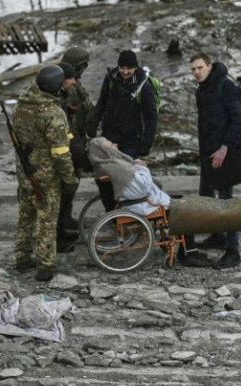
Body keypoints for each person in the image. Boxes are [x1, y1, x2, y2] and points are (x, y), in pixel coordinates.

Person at [88, 138, 214, 267]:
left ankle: (188, 249)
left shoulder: (105, 165)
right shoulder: (117, 167)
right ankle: (189, 254)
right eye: (111, 145)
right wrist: (142, 167)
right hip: (141, 204)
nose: (115, 144)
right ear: (105, 150)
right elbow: (143, 187)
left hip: (133, 202)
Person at [12, 64, 80, 282]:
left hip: (25, 172)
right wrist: (70, 178)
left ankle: (21, 257)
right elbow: (61, 153)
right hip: (46, 176)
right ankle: (45, 266)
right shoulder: (52, 113)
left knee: (26, 216)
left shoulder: (21, 105)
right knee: (47, 219)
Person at [190, 52, 241, 269]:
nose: (196, 72)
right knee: (205, 195)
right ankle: (217, 235)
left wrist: (224, 148)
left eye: (200, 68)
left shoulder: (226, 85)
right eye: (193, 69)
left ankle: (234, 252)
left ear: (209, 67)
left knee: (226, 203)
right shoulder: (201, 90)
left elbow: (238, 119)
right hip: (207, 154)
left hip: (224, 152)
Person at [86, 49, 157, 159]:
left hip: (131, 141)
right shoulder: (110, 80)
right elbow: (102, 102)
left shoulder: (144, 87)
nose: (125, 72)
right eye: (122, 68)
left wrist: (145, 144)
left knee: (125, 172)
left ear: (136, 67)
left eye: (129, 69)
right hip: (108, 136)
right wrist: (94, 122)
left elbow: (151, 118)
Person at [57, 47, 94, 247]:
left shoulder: (74, 83)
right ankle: (59, 228)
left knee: (73, 183)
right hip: (68, 145)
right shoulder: (63, 85)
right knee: (65, 187)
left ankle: (67, 217)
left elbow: (84, 108)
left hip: (78, 140)